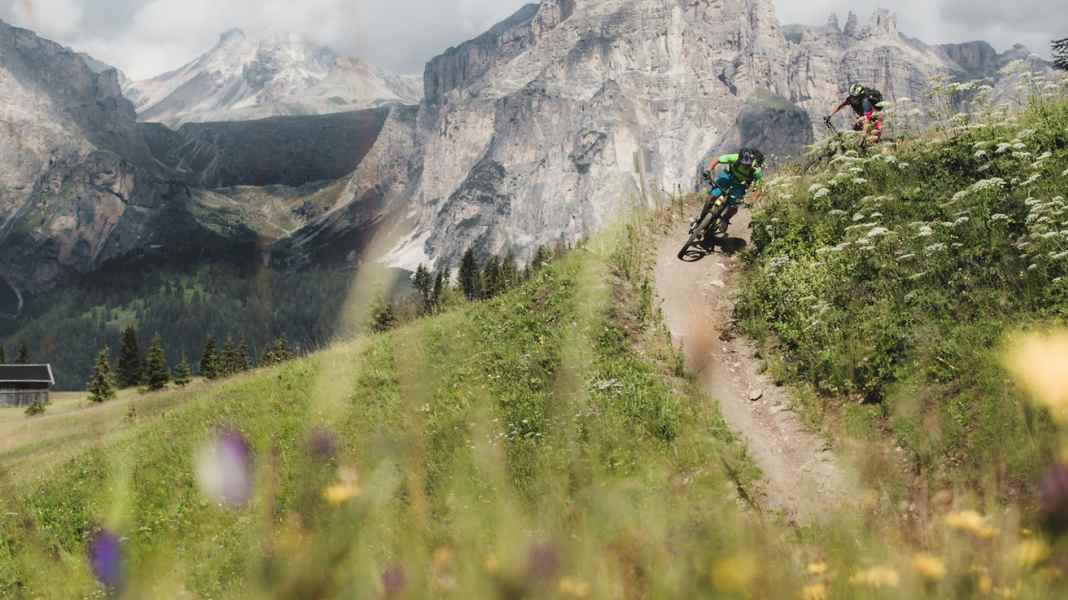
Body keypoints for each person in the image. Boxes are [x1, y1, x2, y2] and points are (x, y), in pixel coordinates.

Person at [695, 148, 765, 243]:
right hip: (728, 176)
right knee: (712, 196)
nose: (744, 166)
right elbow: (718, 159)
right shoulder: (735, 157)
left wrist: (753, 198)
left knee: (734, 205)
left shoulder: (757, 170)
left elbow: (759, 187)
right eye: (743, 164)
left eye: (747, 165)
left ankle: (725, 219)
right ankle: (701, 220)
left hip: (740, 184)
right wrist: (708, 170)